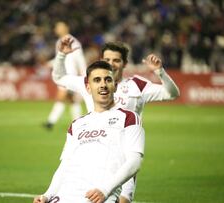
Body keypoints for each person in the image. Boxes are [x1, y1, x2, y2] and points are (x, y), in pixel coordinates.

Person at [51, 36, 180, 203]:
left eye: (116, 60)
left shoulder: (136, 85)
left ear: (125, 63)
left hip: (125, 158)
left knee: (123, 200)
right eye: (107, 59)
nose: (111, 63)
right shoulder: (89, 82)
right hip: (97, 158)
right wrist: (61, 55)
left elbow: (172, 93)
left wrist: (160, 72)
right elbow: (59, 78)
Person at [33, 61, 145, 203]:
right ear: (88, 87)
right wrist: (47, 195)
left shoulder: (129, 118)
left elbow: (135, 162)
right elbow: (65, 166)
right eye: (97, 80)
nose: (103, 85)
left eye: (108, 80)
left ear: (115, 86)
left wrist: (105, 190)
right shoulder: (76, 124)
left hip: (98, 198)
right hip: (64, 196)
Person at [43, 21, 87, 130]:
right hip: (64, 74)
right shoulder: (60, 41)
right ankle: (79, 124)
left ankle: (50, 122)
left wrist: (85, 75)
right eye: (56, 27)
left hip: (68, 75)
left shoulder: (72, 41)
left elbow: (80, 59)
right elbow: (60, 58)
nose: (56, 29)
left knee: (60, 98)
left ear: (66, 28)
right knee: (72, 101)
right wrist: (49, 63)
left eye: (59, 27)